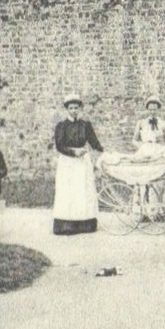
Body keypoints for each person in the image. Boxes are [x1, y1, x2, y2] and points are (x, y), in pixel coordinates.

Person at [51, 95, 103, 235]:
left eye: (76, 108)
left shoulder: (85, 125)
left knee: (83, 190)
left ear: (80, 109)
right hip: (67, 162)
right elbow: (59, 146)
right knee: (68, 190)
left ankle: (85, 223)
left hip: (82, 163)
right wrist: (74, 152)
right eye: (71, 108)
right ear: (67, 109)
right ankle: (66, 224)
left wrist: (102, 151)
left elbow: (93, 141)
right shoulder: (61, 126)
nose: (74, 110)